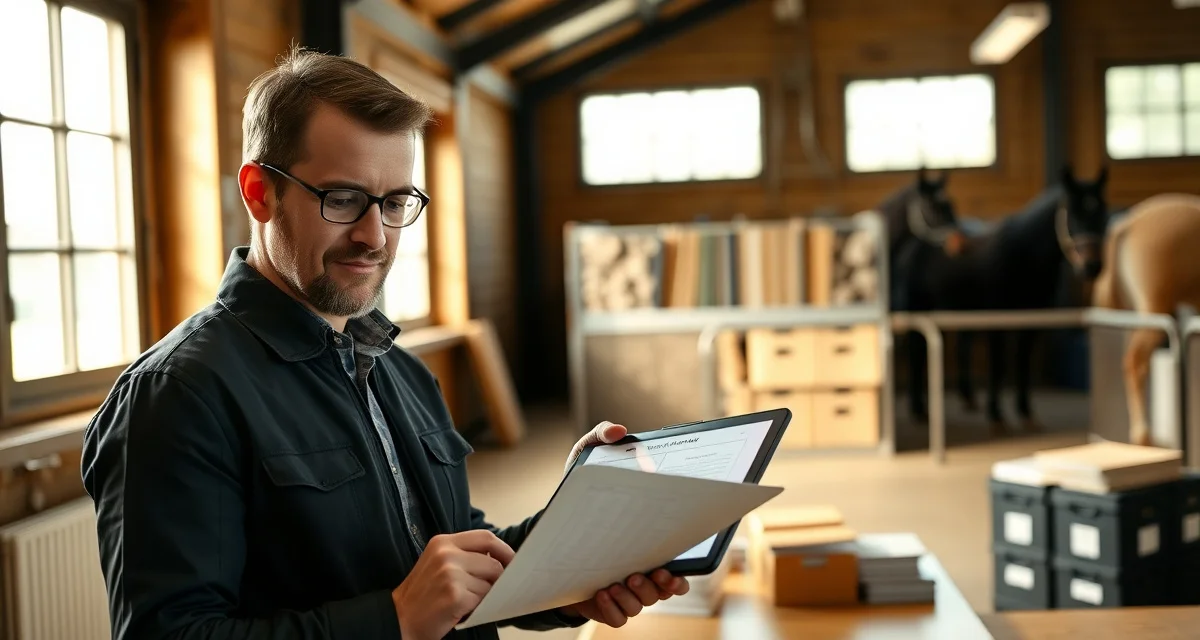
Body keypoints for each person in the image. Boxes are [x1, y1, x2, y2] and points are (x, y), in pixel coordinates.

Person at [80, 47, 688, 640]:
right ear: (260, 192)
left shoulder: (402, 370)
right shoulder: (176, 395)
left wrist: (573, 545)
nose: (374, 236)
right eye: (342, 199)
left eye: (395, 202)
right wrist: (392, 621)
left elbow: (456, 563)